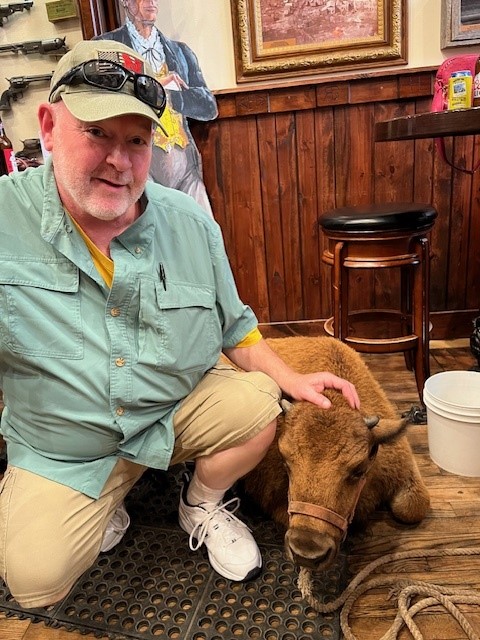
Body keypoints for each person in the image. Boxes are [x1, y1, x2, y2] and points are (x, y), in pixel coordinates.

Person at [0, 39, 360, 610]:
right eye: (97, 133)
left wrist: (292, 379)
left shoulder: (192, 222)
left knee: (261, 402)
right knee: (36, 581)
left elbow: (235, 327)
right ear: (48, 126)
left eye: (137, 140)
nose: (120, 161)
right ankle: (105, 496)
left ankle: (199, 503)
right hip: (66, 447)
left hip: (166, 416)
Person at [94, 0, 218, 215]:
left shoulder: (180, 51)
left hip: (185, 166)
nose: (151, 1)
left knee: (203, 228)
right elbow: (102, 101)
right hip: (135, 166)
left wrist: (174, 96)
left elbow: (209, 107)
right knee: (149, 229)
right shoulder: (105, 47)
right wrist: (154, 87)